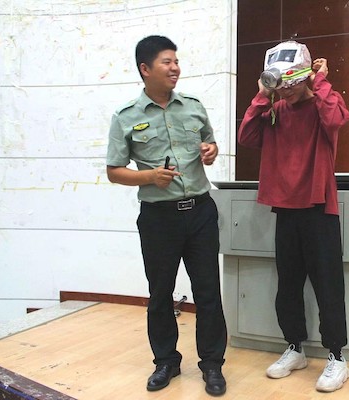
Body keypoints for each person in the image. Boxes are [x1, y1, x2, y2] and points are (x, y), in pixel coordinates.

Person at [105, 35, 227, 397]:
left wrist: (211, 150)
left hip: (201, 212)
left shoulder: (193, 107)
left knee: (208, 291)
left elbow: (210, 142)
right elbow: (114, 171)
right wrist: (149, 177)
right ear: (145, 69)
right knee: (160, 293)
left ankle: (212, 364)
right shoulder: (126, 116)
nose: (175, 68)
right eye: (167, 62)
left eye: (176, 61)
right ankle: (166, 362)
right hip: (159, 218)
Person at [237, 40, 349, 392]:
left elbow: (336, 118)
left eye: (291, 81)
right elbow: (246, 136)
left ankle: (337, 357)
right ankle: (295, 348)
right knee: (287, 286)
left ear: (303, 76)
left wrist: (319, 80)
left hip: (318, 207)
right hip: (285, 208)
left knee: (328, 285)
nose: (285, 88)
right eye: (280, 82)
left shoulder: (322, 105)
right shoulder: (275, 110)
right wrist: (262, 94)